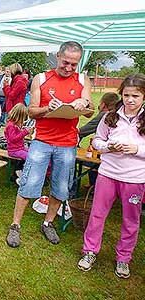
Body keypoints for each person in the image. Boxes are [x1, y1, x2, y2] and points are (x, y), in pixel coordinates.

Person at [5, 41, 94, 248]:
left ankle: (48, 222)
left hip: (68, 143)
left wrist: (84, 104)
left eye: (74, 64)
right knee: (29, 183)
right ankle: (15, 225)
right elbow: (31, 111)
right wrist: (47, 108)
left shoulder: (82, 79)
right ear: (57, 56)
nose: (69, 68)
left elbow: (90, 110)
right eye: (66, 62)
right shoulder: (41, 78)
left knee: (61, 187)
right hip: (42, 141)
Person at [77, 74, 145, 279]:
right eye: (126, 95)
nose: (130, 99)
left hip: (134, 178)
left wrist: (136, 149)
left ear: (144, 97)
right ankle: (90, 251)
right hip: (107, 174)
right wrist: (107, 146)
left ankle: (123, 258)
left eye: (136, 95)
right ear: (121, 95)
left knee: (130, 221)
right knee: (97, 215)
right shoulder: (110, 116)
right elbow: (97, 141)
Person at [77, 92, 119, 187]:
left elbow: (83, 131)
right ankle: (93, 184)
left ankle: (94, 186)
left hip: (106, 153)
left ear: (103, 104)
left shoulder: (105, 115)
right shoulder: (119, 113)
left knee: (90, 155)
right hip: (116, 152)